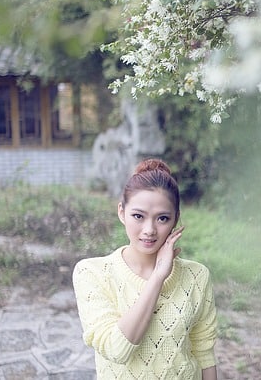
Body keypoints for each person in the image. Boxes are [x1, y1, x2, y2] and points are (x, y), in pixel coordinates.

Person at [73, 159, 218, 379]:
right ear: (122, 212)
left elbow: (204, 352)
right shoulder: (92, 273)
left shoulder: (197, 276)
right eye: (138, 216)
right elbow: (117, 350)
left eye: (162, 218)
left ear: (175, 219)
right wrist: (158, 277)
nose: (149, 230)